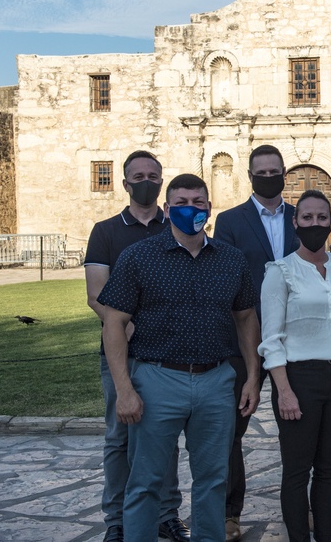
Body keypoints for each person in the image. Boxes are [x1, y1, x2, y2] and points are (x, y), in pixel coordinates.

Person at [97, 174, 261, 542]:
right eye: (183, 203)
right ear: (168, 210)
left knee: (213, 481)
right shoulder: (138, 257)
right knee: (146, 481)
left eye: (199, 202)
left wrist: (252, 375)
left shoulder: (231, 260)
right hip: (157, 379)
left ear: (209, 207)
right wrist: (124, 388)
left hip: (216, 380)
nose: (192, 208)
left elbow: (246, 316)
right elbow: (114, 321)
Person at [84, 151, 187, 542]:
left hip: (168, 354)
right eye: (138, 176)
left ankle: (166, 513)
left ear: (162, 182)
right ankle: (117, 519)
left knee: (166, 437)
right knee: (119, 438)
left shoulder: (174, 227)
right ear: (125, 184)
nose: (146, 181)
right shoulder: (106, 231)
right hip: (121, 352)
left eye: (153, 175)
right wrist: (123, 328)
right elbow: (97, 295)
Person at [259, 189, 331, 542]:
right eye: (307, 217)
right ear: (295, 223)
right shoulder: (281, 272)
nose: (315, 223)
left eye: (322, 217)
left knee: (329, 469)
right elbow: (271, 338)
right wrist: (284, 391)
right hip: (299, 380)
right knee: (296, 471)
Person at [213, 144, 299, 541]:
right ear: (250, 175)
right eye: (261, 172)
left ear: (285, 172)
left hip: (294, 340)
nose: (269, 176)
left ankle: (298, 509)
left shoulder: (302, 218)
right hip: (242, 339)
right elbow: (227, 275)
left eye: (275, 171)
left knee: (298, 429)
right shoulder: (230, 221)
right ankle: (230, 513)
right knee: (231, 429)